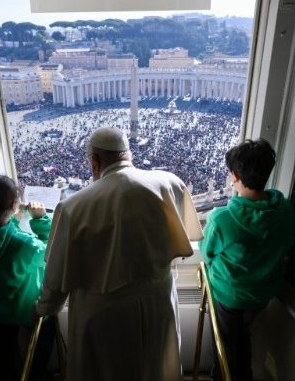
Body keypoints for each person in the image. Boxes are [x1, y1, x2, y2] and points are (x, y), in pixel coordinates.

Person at [34, 127, 203, 381]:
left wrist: (45, 307)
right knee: (154, 366)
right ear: (128, 155)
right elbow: (183, 239)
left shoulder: (73, 207)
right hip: (158, 300)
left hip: (105, 314)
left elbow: (56, 277)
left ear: (94, 160)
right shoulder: (170, 183)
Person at [200, 139, 295, 381]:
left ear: (234, 175)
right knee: (242, 337)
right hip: (263, 293)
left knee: (225, 346)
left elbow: (206, 253)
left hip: (228, 294)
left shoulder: (222, 218)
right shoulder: (285, 210)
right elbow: (288, 243)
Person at [0, 175, 54, 381]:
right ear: (15, 205)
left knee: (4, 358)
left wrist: (12, 219)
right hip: (27, 310)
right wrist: (40, 219)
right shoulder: (24, 245)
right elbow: (50, 251)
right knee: (40, 347)